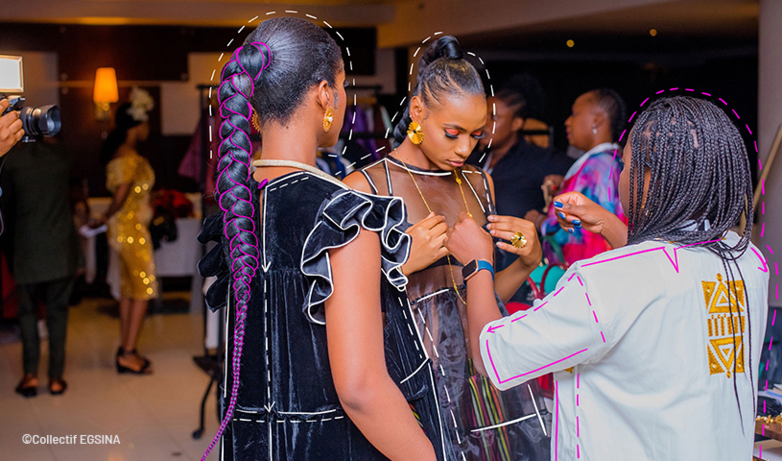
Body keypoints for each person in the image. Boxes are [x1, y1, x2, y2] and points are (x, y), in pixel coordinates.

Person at [447, 96, 767, 460]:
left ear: (648, 178)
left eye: (625, 166)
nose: (619, 177)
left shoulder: (603, 281)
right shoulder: (746, 260)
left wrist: (478, 263)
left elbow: (489, 355)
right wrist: (608, 224)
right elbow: (663, 276)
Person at [197, 17, 448, 460]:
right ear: (324, 95)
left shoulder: (240, 203)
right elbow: (360, 389)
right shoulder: (341, 215)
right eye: (342, 84)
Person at [345, 36, 551, 461]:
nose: (464, 149)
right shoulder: (365, 189)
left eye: (476, 135)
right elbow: (348, 322)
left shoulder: (478, 185)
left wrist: (528, 262)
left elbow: (478, 301)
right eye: (452, 132)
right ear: (418, 111)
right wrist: (397, 267)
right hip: (408, 386)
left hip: (479, 389)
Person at [1, 137, 80, 396]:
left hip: (27, 248)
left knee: (27, 313)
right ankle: (56, 378)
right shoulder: (61, 156)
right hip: (60, 247)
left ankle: (30, 374)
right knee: (58, 313)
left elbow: (7, 208)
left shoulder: (13, 161)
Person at [526, 88, 627, 266]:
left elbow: (581, 231)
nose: (568, 121)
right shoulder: (610, 161)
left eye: (574, 114)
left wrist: (539, 221)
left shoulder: (597, 167)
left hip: (585, 274)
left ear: (596, 120)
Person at [97, 87, 157, 375]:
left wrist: (106, 220)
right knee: (143, 290)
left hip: (121, 230)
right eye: (146, 123)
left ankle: (125, 348)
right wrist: (104, 216)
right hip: (131, 229)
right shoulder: (130, 157)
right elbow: (121, 197)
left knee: (129, 292)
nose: (148, 129)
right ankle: (128, 352)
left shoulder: (121, 154)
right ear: (138, 124)